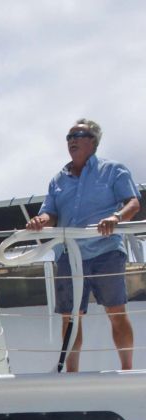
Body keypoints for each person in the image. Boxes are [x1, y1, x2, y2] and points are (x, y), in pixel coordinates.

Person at [26, 118, 140, 371]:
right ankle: (71, 372)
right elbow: (50, 213)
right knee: (70, 317)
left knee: (116, 310)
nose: (72, 140)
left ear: (93, 141)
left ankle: (128, 369)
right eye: (69, 137)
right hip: (69, 253)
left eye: (79, 134)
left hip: (106, 250)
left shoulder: (114, 170)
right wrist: (40, 220)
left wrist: (116, 218)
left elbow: (133, 203)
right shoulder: (58, 179)